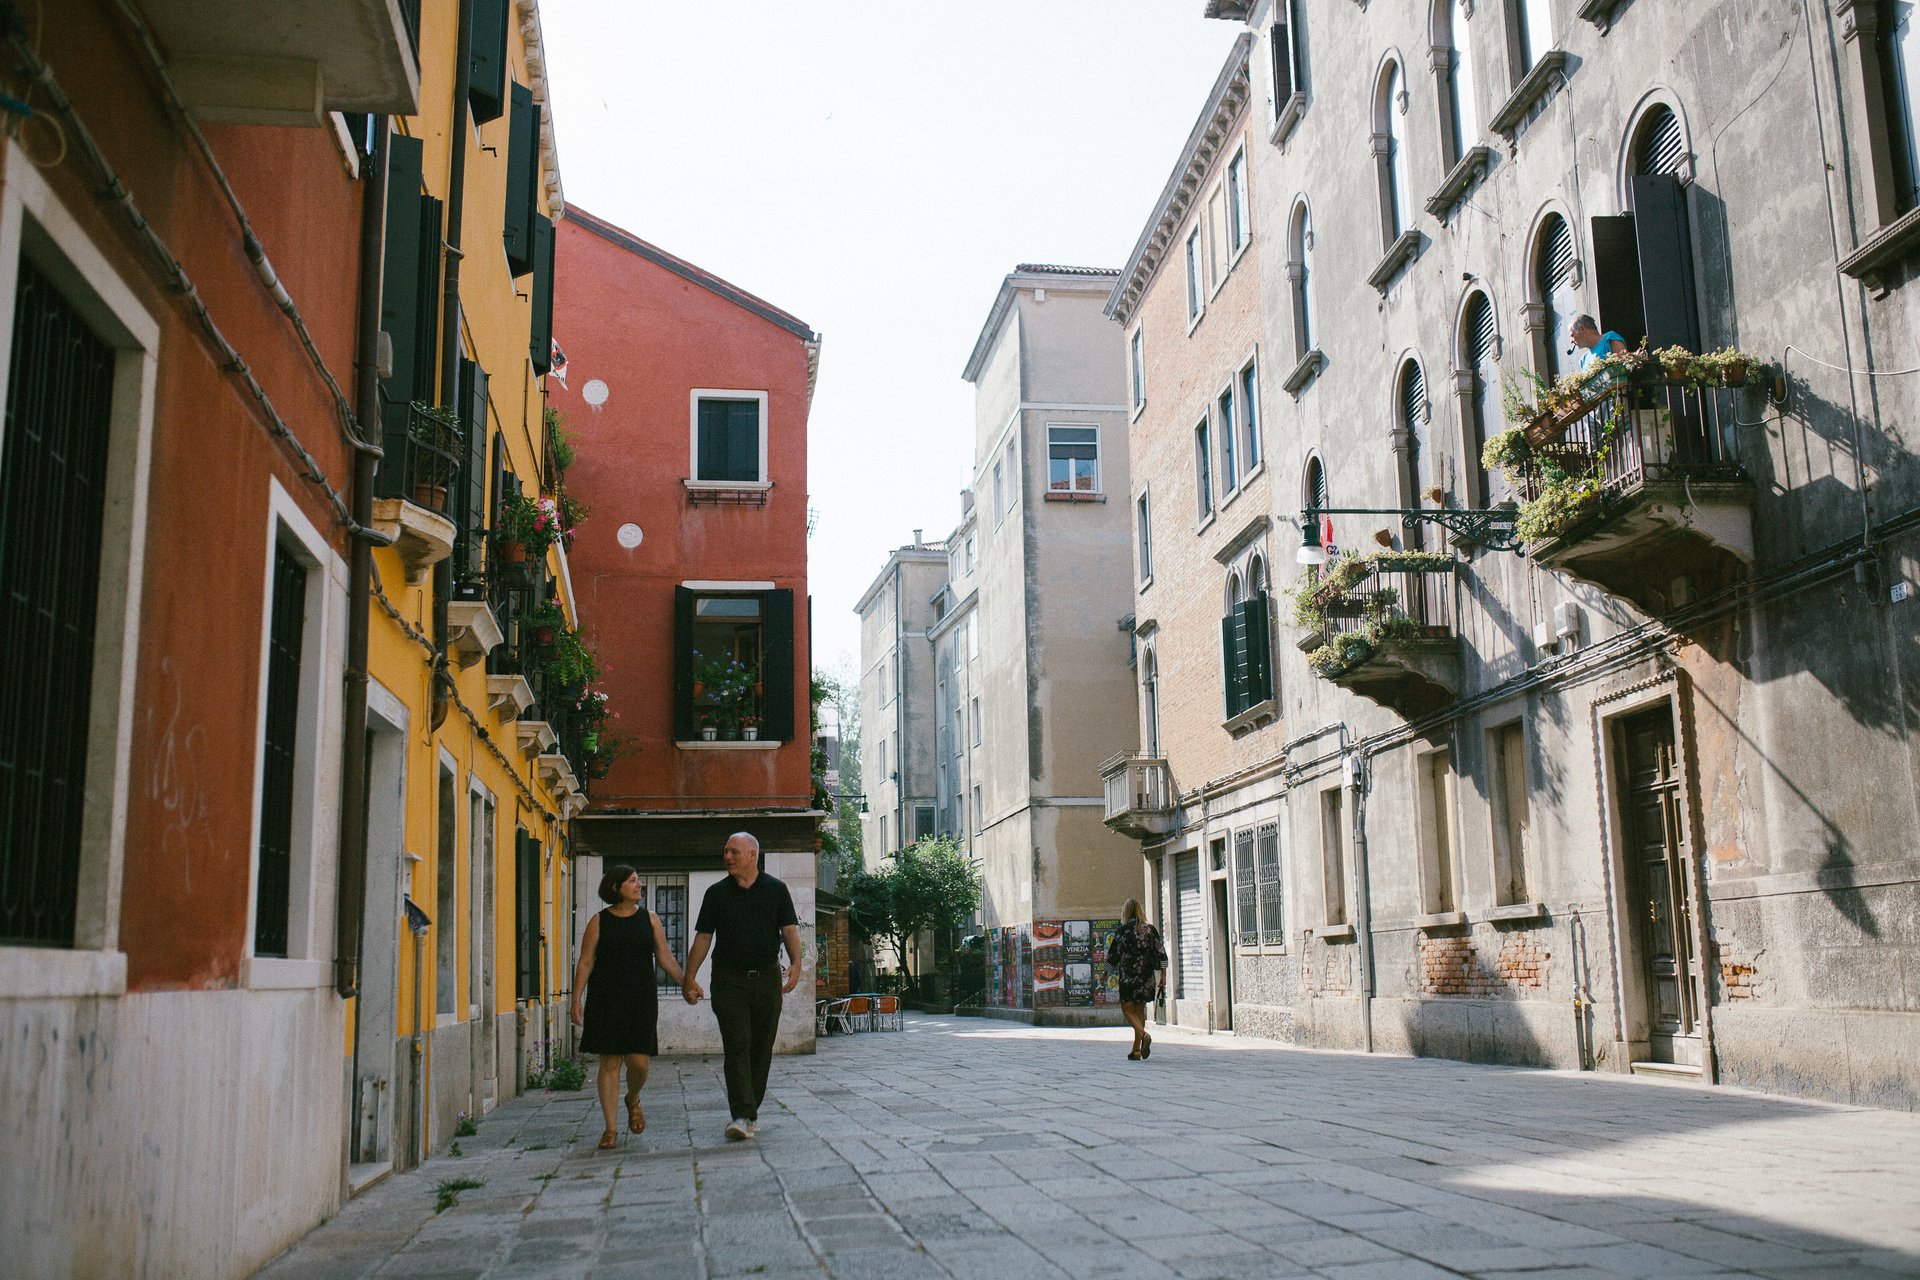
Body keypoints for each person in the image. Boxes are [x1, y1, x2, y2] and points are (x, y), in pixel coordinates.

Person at [682, 832, 803, 1141]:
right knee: (738, 1043)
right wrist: (689, 976)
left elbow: (788, 930)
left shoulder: (776, 890)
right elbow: (704, 937)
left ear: (753, 855)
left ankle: (748, 1112)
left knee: (761, 1048)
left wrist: (797, 964)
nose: (727, 857)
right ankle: (742, 1114)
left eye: (734, 852)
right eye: (725, 852)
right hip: (728, 980)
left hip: (767, 979)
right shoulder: (716, 893)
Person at [571, 864, 686, 1150]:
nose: (639, 885)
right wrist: (576, 999)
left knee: (639, 1061)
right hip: (605, 998)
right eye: (632, 881)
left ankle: (633, 1097)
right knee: (609, 1062)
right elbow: (586, 961)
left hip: (640, 998)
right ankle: (610, 1129)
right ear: (615, 887)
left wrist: (686, 983)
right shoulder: (599, 921)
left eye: (638, 881)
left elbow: (665, 957)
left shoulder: (650, 919)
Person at [1105, 899, 1167, 1061]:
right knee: (1139, 1011)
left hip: (1128, 976)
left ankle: (1144, 1035)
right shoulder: (1150, 930)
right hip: (1146, 977)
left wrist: (1105, 975)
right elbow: (1162, 954)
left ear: (1126, 912)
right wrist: (1164, 977)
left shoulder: (1123, 931)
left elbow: (1113, 956)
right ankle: (1136, 1050)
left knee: (1128, 1010)